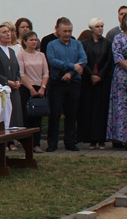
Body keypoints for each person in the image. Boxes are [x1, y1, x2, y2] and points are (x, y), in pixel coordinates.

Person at [45, 18, 87, 152]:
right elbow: (52, 61)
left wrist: (70, 72)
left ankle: (70, 142)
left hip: (73, 82)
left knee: (72, 113)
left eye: (70, 31)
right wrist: (71, 66)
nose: (68, 34)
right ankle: (52, 143)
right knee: (55, 113)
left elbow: (83, 60)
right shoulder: (51, 45)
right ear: (58, 30)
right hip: (58, 82)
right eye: (65, 31)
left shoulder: (77, 44)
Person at [79, 18, 113, 149]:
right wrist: (91, 75)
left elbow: (109, 61)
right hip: (88, 81)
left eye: (102, 26)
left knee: (101, 109)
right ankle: (91, 139)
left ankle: (101, 139)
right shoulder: (84, 44)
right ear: (92, 28)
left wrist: (99, 76)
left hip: (102, 81)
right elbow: (83, 60)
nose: (100, 29)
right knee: (90, 109)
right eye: (97, 26)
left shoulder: (107, 43)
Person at [0, 24, 23, 128]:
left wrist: (17, 81)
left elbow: (17, 69)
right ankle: (7, 142)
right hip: (1, 90)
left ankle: (13, 139)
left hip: (14, 89)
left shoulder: (11, 51)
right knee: (5, 116)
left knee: (15, 116)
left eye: (9, 31)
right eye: (4, 32)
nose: (8, 34)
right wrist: (6, 82)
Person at [17, 31, 47, 153]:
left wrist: (43, 87)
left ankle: (37, 143)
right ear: (25, 41)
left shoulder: (41, 55)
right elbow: (21, 73)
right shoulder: (21, 55)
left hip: (39, 87)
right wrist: (30, 88)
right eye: (31, 40)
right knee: (27, 116)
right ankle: (27, 143)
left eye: (35, 40)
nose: (34, 42)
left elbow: (46, 73)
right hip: (26, 87)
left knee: (37, 116)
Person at [107, 15, 127, 147]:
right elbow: (118, 57)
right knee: (122, 107)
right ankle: (121, 138)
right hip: (122, 76)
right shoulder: (118, 38)